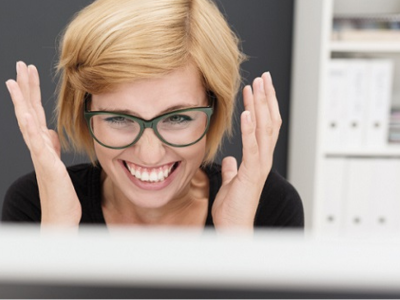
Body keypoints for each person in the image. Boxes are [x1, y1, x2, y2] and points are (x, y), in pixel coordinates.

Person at [3, 0, 303, 231]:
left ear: (214, 109)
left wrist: (236, 246)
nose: (149, 154)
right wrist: (58, 232)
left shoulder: (269, 205)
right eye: (119, 119)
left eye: (177, 118)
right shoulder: (36, 204)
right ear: (86, 113)